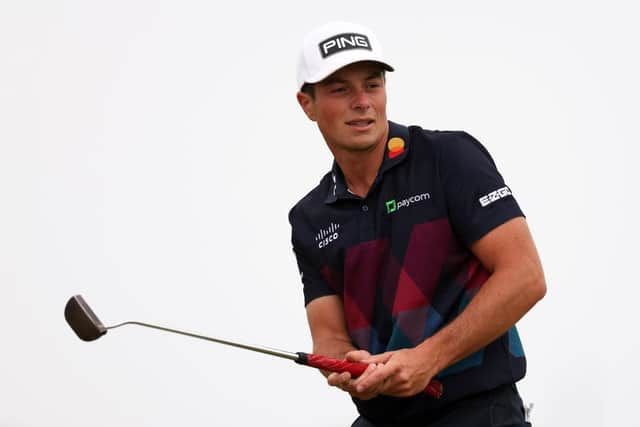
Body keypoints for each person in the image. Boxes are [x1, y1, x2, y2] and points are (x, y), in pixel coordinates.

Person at [288, 21, 546, 427]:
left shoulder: (447, 158)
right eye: (341, 90)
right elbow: (329, 334)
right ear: (308, 104)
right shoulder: (309, 218)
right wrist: (350, 365)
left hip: (478, 410)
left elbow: (526, 277)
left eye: (372, 85)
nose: (362, 101)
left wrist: (428, 359)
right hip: (384, 417)